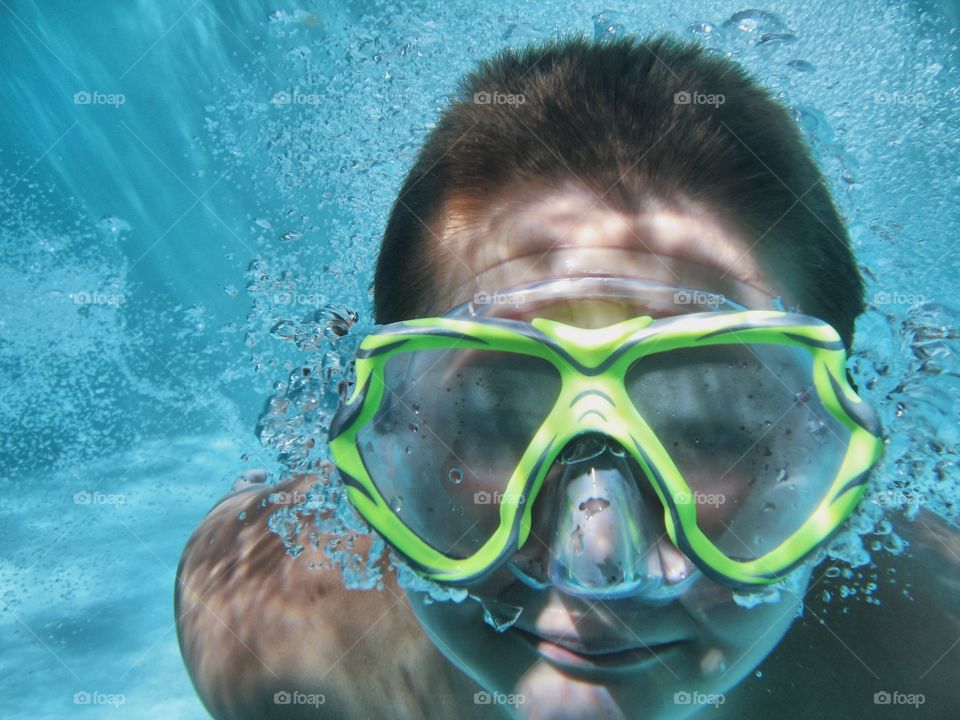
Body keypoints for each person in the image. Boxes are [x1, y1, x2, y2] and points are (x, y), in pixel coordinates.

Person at [176, 35, 960, 719]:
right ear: (386, 445)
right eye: (488, 418)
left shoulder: (934, 669)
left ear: (845, 449)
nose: (598, 569)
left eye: (713, 429)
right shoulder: (273, 647)